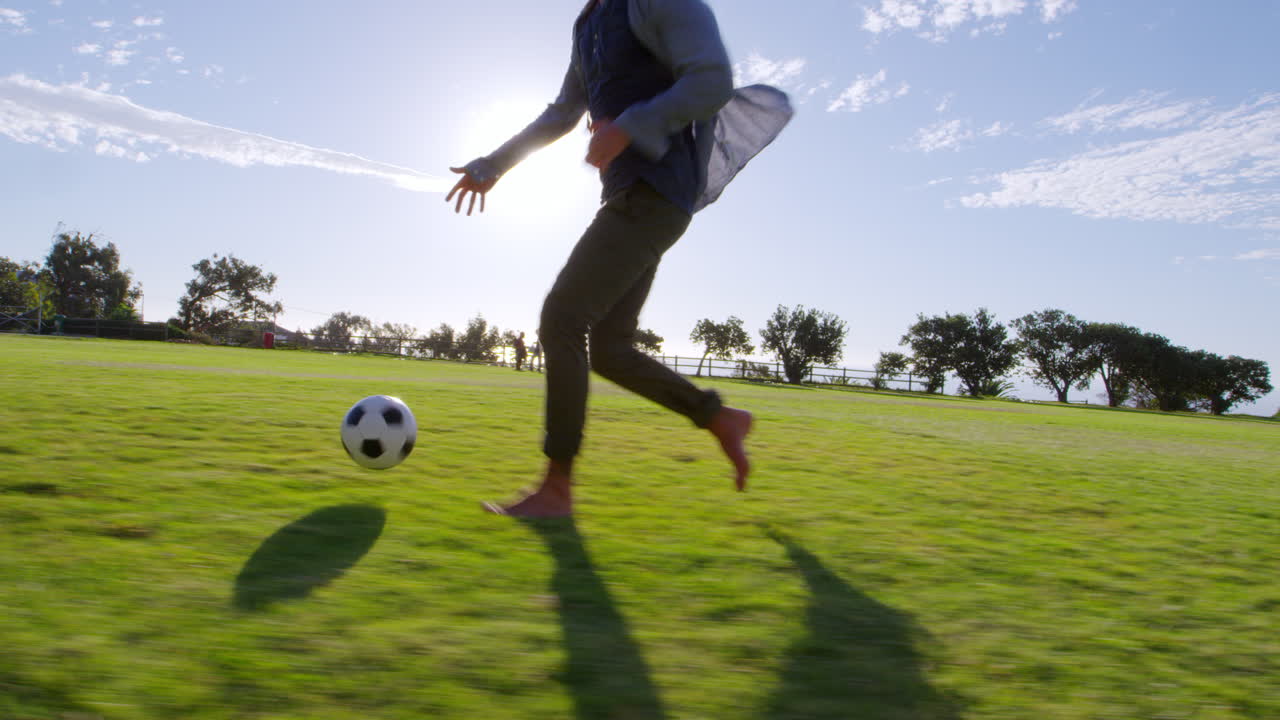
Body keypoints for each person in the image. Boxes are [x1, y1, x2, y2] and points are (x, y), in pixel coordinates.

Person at [448, 0, 791, 518]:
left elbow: (712, 80)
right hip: (631, 195)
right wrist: (494, 164)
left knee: (562, 317)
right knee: (608, 348)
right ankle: (718, 418)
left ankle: (556, 491)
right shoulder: (589, 22)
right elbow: (564, 111)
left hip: (656, 192)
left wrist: (630, 126)